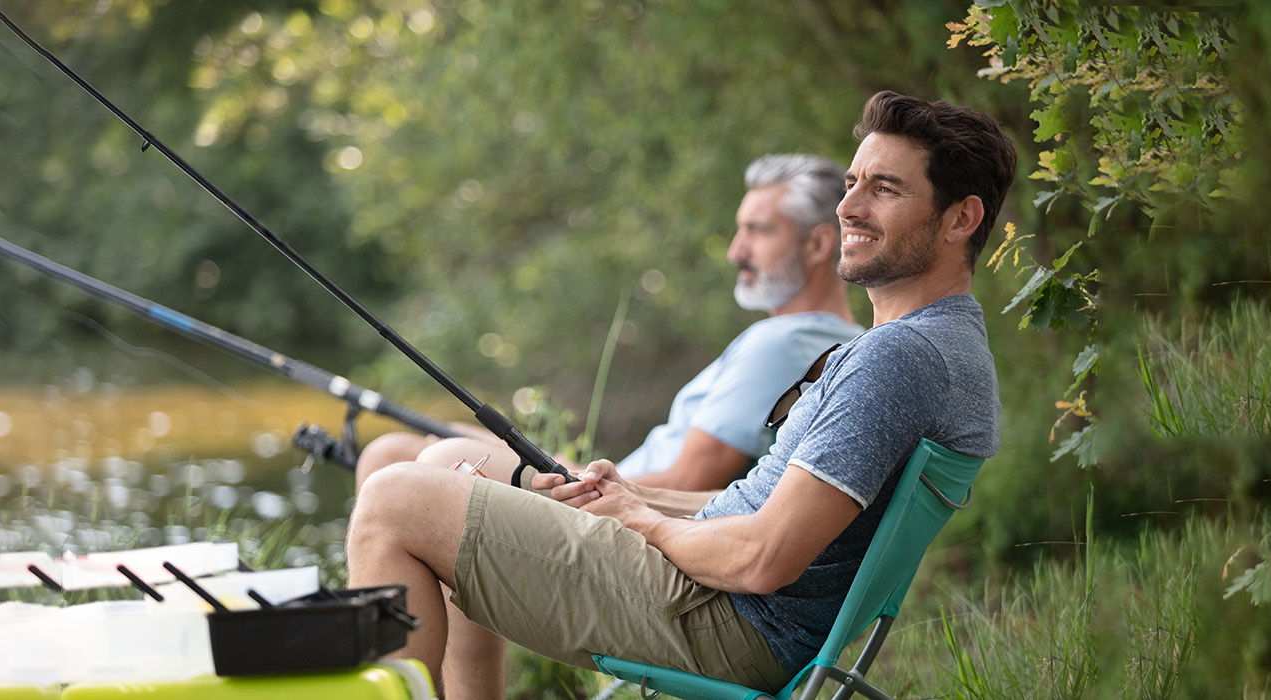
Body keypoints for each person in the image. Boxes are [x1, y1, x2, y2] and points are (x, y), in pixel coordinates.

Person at [345, 90, 1017, 699]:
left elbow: (761, 559)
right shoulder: (939, 345)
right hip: (725, 595)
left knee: (393, 499)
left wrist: (642, 522)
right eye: (850, 184)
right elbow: (770, 514)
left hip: (729, 623)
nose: (848, 207)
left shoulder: (901, 359)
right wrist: (633, 498)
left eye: (885, 189)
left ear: (961, 218)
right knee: (438, 467)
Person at [354, 154, 862, 493]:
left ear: (818, 245)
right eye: (739, 231)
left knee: (414, 467)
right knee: (423, 445)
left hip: (625, 522)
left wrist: (578, 485)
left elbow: (689, 479)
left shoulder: (785, 344)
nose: (736, 251)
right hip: (622, 493)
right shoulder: (839, 341)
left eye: (758, 231)